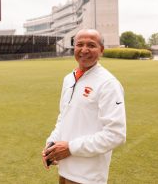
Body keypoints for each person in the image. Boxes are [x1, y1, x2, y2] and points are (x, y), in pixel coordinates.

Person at [42, 29, 126, 184]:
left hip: (88, 177)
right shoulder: (69, 79)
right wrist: (52, 143)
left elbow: (116, 135)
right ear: (74, 48)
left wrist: (71, 148)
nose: (84, 50)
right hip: (65, 170)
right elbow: (64, 117)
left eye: (91, 45)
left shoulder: (109, 84)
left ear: (101, 50)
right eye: (80, 44)